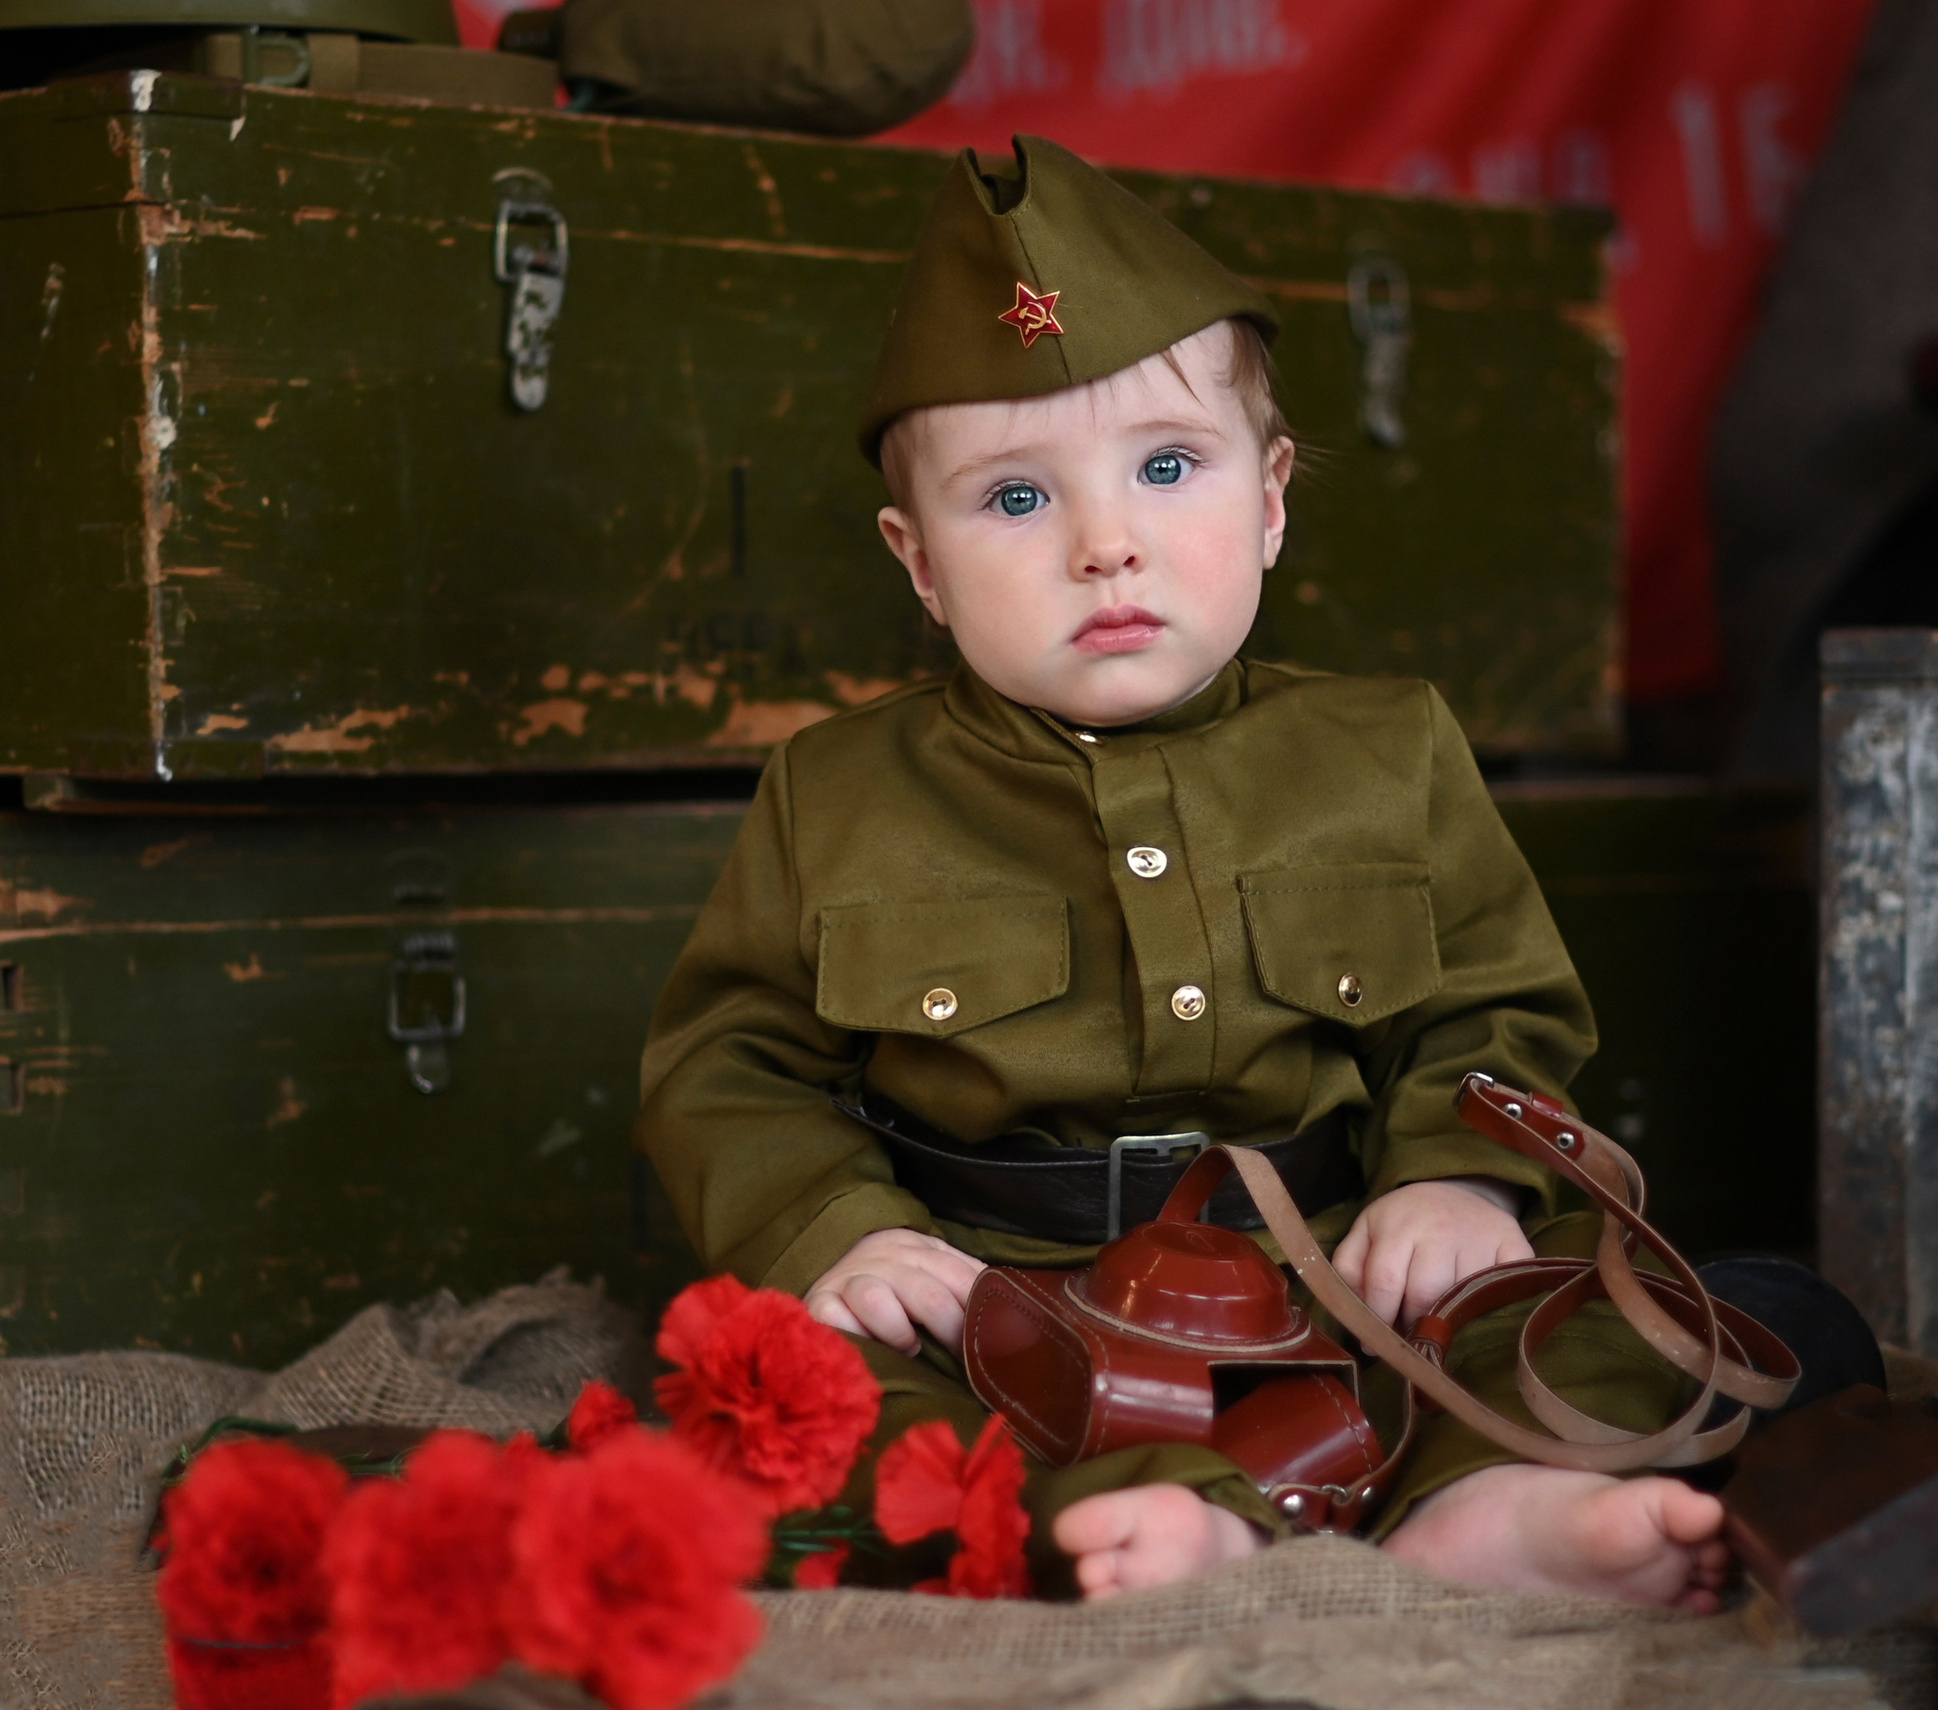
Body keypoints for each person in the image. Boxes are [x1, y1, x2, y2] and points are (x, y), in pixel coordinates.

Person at [636, 134, 1762, 1606]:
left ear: (1275, 495)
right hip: (1002, 1300)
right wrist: (840, 1229)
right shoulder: (836, 794)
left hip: (1344, 1274)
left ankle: (1485, 1507)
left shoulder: (1389, 751)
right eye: (1017, 500)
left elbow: (1492, 1018)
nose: (1110, 546)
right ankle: (1157, 1524)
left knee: (1587, 1313)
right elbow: (728, 1065)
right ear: (918, 563)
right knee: (795, 1392)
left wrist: (1455, 1178)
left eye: (1170, 467)